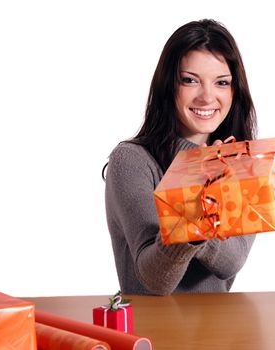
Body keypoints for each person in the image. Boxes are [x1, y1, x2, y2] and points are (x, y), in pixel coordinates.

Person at [103, 19, 258, 295]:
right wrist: (196, 195)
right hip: (151, 332)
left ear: (235, 91)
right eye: (190, 80)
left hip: (221, 331)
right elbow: (155, 280)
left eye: (221, 82)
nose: (207, 96)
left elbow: (231, 262)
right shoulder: (131, 161)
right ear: (168, 86)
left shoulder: (238, 161)